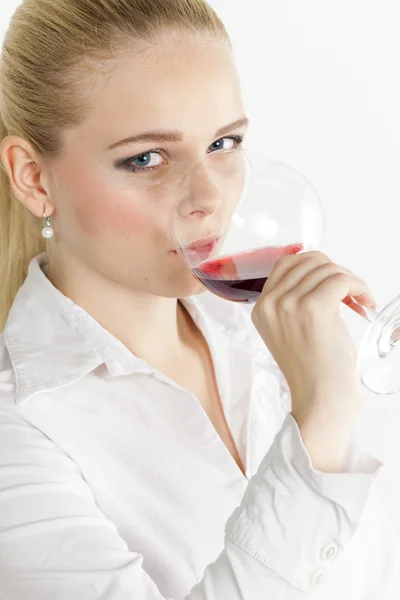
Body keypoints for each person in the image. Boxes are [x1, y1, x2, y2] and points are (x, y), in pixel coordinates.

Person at [0, 0, 399, 598]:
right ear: (33, 178)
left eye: (223, 143)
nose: (208, 198)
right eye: (146, 158)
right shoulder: (22, 430)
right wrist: (316, 429)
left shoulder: (265, 337)